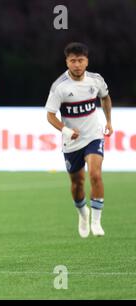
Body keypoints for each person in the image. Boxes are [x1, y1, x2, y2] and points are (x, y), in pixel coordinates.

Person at [45, 42, 113, 238]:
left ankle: (96, 221)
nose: (77, 65)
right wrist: (65, 130)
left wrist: (109, 121)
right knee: (77, 183)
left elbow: (105, 98)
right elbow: (50, 115)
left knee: (95, 174)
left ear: (86, 61)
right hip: (72, 141)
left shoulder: (96, 80)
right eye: (73, 61)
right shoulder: (60, 86)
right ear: (67, 62)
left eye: (80, 60)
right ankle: (83, 213)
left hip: (93, 135)